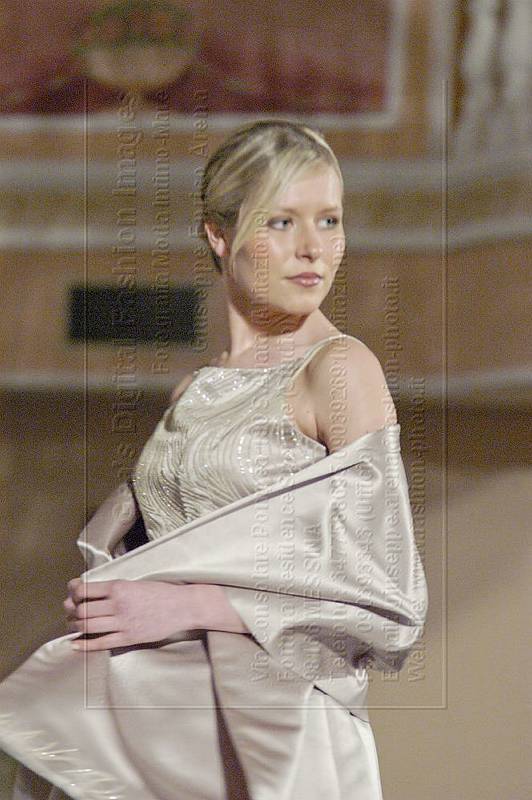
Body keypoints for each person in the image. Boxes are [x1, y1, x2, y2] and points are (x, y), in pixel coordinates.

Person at [4, 119, 427, 800]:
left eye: (329, 220)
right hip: (157, 728)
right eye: (281, 222)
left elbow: (388, 595)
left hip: (271, 737)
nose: (314, 248)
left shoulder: (340, 369)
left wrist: (191, 604)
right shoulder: (195, 391)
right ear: (219, 235)